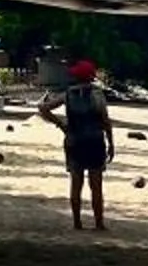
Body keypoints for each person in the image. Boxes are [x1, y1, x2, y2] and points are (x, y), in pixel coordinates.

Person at [41, 55, 115, 230]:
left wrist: (61, 124)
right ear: (91, 76)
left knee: (76, 183)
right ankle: (99, 223)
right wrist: (111, 143)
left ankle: (77, 222)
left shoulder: (68, 94)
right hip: (95, 141)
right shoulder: (97, 95)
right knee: (96, 185)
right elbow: (105, 120)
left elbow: (43, 108)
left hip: (74, 141)